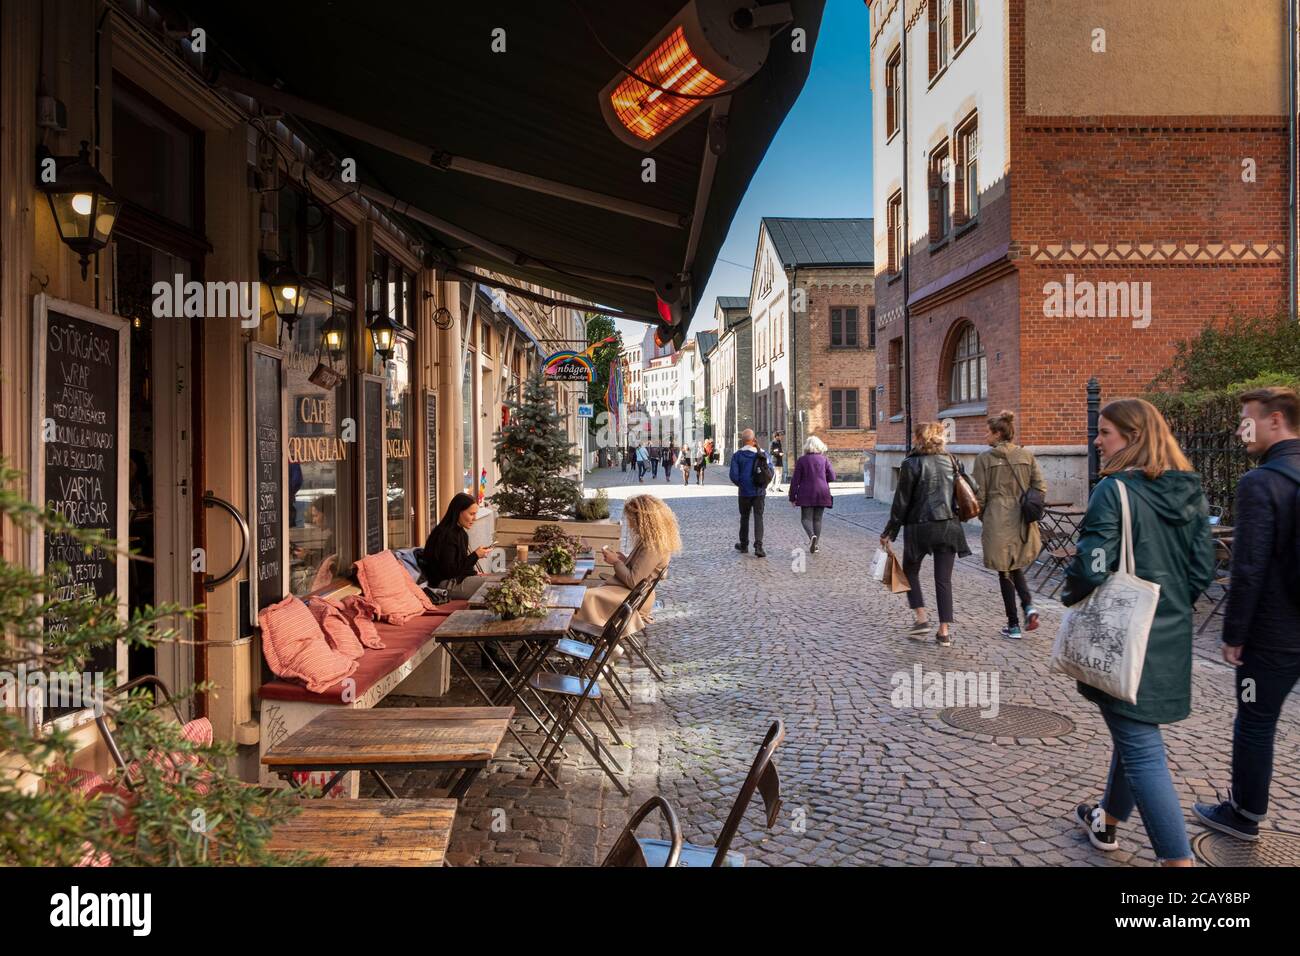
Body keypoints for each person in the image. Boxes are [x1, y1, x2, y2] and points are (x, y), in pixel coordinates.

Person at [1063, 398, 1215, 867]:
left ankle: (1178, 862)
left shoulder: (1115, 491)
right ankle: (1106, 821)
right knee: (1134, 733)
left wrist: (1071, 595)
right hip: (1168, 633)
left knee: (1144, 752)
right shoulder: (1190, 490)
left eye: (1104, 432)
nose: (1097, 440)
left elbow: (1093, 563)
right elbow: (1203, 570)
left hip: (1123, 635)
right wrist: (1168, 606)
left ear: (1131, 438)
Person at [1194, 386, 1300, 842]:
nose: (1241, 429)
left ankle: (1243, 813)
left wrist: (1233, 633)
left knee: (1255, 720)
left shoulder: (1261, 482)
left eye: (1247, 420)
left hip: (1272, 636)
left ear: (1275, 421)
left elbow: (1249, 566)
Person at [880, 421, 975, 646]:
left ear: (918, 438)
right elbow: (974, 489)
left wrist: (889, 532)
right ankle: (944, 632)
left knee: (910, 572)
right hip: (948, 526)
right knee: (943, 580)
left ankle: (921, 618)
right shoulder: (952, 461)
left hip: (919, 528)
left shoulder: (910, 463)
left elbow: (900, 503)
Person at [972, 410, 1046, 640]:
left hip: (997, 517)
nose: (985, 436)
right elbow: (1040, 487)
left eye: (988, 432)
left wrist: (983, 515)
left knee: (1005, 571)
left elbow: (980, 496)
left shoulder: (984, 459)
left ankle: (1013, 625)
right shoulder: (1027, 456)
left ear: (998, 433)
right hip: (1022, 517)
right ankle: (1029, 607)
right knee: (1014, 566)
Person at [577, 494, 680, 633]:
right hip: (631, 594)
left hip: (633, 598)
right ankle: (595, 637)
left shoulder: (653, 546)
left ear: (643, 520)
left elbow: (633, 580)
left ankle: (600, 640)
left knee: (584, 598)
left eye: (631, 520)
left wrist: (615, 562)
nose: (630, 524)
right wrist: (623, 560)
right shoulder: (649, 541)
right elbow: (640, 570)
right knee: (584, 596)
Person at [417, 493, 494, 599]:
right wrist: (475, 556)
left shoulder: (461, 533)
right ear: (458, 512)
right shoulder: (445, 535)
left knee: (499, 580)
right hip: (444, 585)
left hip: (457, 579)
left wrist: (474, 567)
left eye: (475, 514)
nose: (475, 518)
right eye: (471, 514)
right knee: (496, 586)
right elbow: (450, 572)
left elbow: (460, 566)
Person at [788, 435, 836, 552]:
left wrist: (792, 497)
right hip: (822, 492)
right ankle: (816, 545)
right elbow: (832, 477)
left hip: (806, 492)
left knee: (805, 519)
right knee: (818, 519)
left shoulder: (802, 460)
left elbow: (795, 480)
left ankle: (811, 536)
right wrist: (823, 479)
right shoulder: (824, 460)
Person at [729, 428, 771, 558]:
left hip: (744, 492)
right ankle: (758, 546)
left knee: (744, 517)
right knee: (759, 517)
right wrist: (763, 484)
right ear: (754, 440)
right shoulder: (763, 453)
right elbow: (770, 472)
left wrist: (742, 484)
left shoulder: (737, 455)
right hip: (759, 491)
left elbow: (733, 475)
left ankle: (744, 545)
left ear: (742, 441)